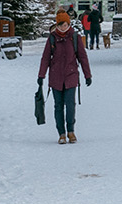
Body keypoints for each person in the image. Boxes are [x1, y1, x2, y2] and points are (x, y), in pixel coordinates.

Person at [37, 9, 92, 144]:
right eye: (61, 24)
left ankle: (71, 131)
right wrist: (41, 75)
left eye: (66, 24)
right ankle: (61, 133)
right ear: (57, 25)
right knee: (58, 106)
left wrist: (87, 75)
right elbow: (45, 58)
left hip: (71, 75)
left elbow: (82, 57)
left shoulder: (74, 37)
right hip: (56, 77)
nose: (63, 27)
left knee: (70, 105)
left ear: (69, 24)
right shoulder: (52, 38)